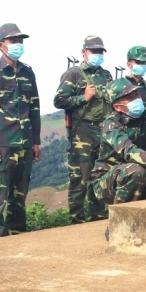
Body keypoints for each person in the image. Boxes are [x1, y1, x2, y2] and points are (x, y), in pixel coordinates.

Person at [0, 23, 41, 239]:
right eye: (13, 41)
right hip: (2, 144)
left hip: (25, 143)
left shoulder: (27, 72)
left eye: (20, 41)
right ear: (0, 45)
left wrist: (36, 141)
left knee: (19, 196)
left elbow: (34, 107)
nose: (18, 44)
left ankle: (18, 238)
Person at [92, 78, 146, 212]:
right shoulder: (112, 124)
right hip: (108, 183)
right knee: (136, 171)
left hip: (138, 179)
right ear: (117, 106)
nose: (136, 99)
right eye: (129, 97)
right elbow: (129, 151)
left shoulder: (144, 116)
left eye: (136, 94)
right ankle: (119, 224)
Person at [53, 36, 112, 224]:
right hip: (82, 132)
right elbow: (59, 101)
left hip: (103, 132)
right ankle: (76, 221)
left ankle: (98, 217)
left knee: (100, 175)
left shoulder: (107, 75)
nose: (97, 54)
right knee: (80, 179)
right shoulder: (73, 74)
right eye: (94, 51)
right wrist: (83, 98)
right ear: (84, 52)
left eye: (100, 51)